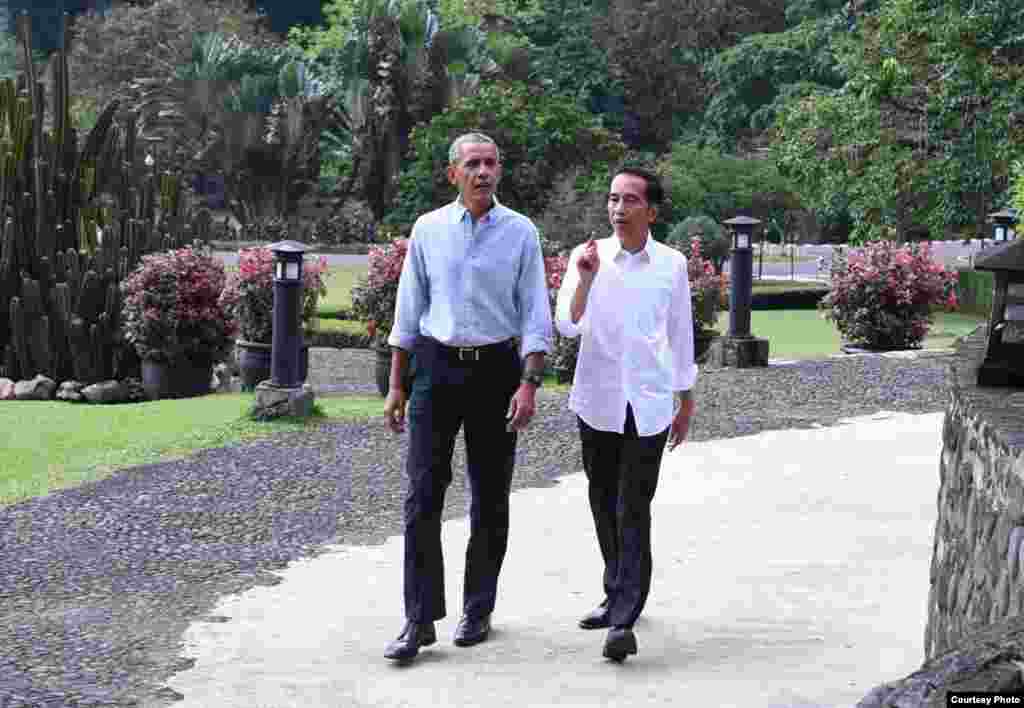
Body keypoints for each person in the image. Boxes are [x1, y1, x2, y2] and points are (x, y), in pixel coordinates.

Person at [382, 132, 553, 662]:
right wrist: (396, 384)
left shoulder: (520, 232)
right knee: (422, 494)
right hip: (435, 368)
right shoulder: (429, 230)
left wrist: (529, 383)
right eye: (473, 164)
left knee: (491, 495)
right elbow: (408, 312)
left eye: (491, 163)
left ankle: (477, 608)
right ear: (452, 172)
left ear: (499, 171)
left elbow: (534, 314)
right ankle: (418, 618)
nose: (483, 172)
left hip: (497, 372)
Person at [554, 166, 698, 662]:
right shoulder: (587, 257)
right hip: (597, 401)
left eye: (630, 200)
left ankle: (622, 619)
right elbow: (566, 325)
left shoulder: (672, 264)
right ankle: (618, 587)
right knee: (602, 501)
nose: (618, 208)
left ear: (651, 211)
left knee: (632, 506)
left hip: (651, 404)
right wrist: (586, 282)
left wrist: (686, 400)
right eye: (613, 198)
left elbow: (680, 333)